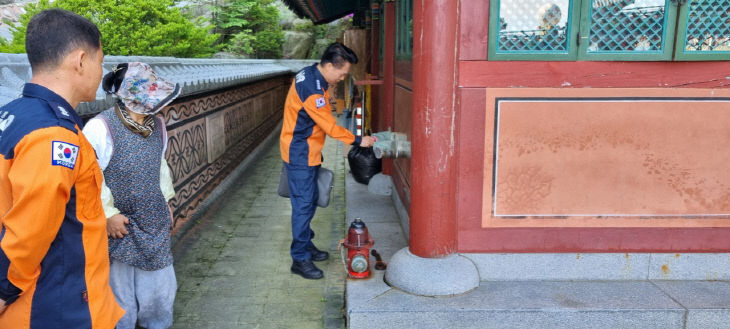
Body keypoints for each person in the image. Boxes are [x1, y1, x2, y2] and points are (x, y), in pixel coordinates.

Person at [0, 9, 124, 328]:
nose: (101, 71)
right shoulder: (54, 135)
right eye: (100, 60)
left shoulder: (13, 115)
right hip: (54, 307)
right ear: (80, 60)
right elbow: (29, 232)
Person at [83, 62, 180, 329]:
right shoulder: (100, 128)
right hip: (120, 225)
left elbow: (160, 166)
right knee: (120, 291)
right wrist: (108, 215)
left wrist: (166, 203)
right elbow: (91, 178)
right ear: (129, 96)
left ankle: (157, 324)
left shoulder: (158, 125)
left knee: (160, 288)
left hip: (153, 219)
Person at [280, 42, 374, 280]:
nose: (343, 78)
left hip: (307, 149)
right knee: (303, 206)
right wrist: (358, 140)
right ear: (330, 65)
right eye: (342, 73)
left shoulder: (311, 73)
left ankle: (306, 245)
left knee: (310, 200)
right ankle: (299, 259)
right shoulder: (312, 89)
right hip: (299, 153)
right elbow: (330, 127)